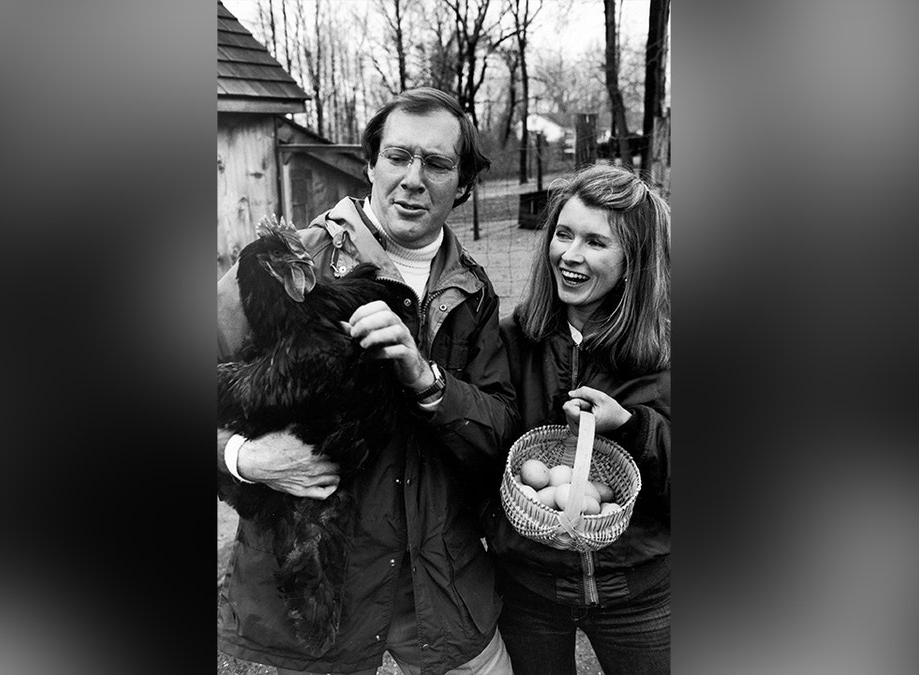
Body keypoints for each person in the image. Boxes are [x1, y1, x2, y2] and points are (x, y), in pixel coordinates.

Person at [216, 87, 519, 675]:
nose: (413, 178)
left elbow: (499, 430)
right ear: (370, 164)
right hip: (313, 580)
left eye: (436, 163)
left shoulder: (473, 291)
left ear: (463, 183)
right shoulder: (283, 264)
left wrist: (428, 381)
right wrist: (242, 457)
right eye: (399, 156)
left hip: (440, 587)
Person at [484, 164, 672, 675]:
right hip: (529, 591)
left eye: (595, 242)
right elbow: (475, 448)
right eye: (563, 235)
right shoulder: (509, 342)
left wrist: (632, 426)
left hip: (642, 592)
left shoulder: (668, 353)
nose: (570, 255)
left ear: (634, 260)